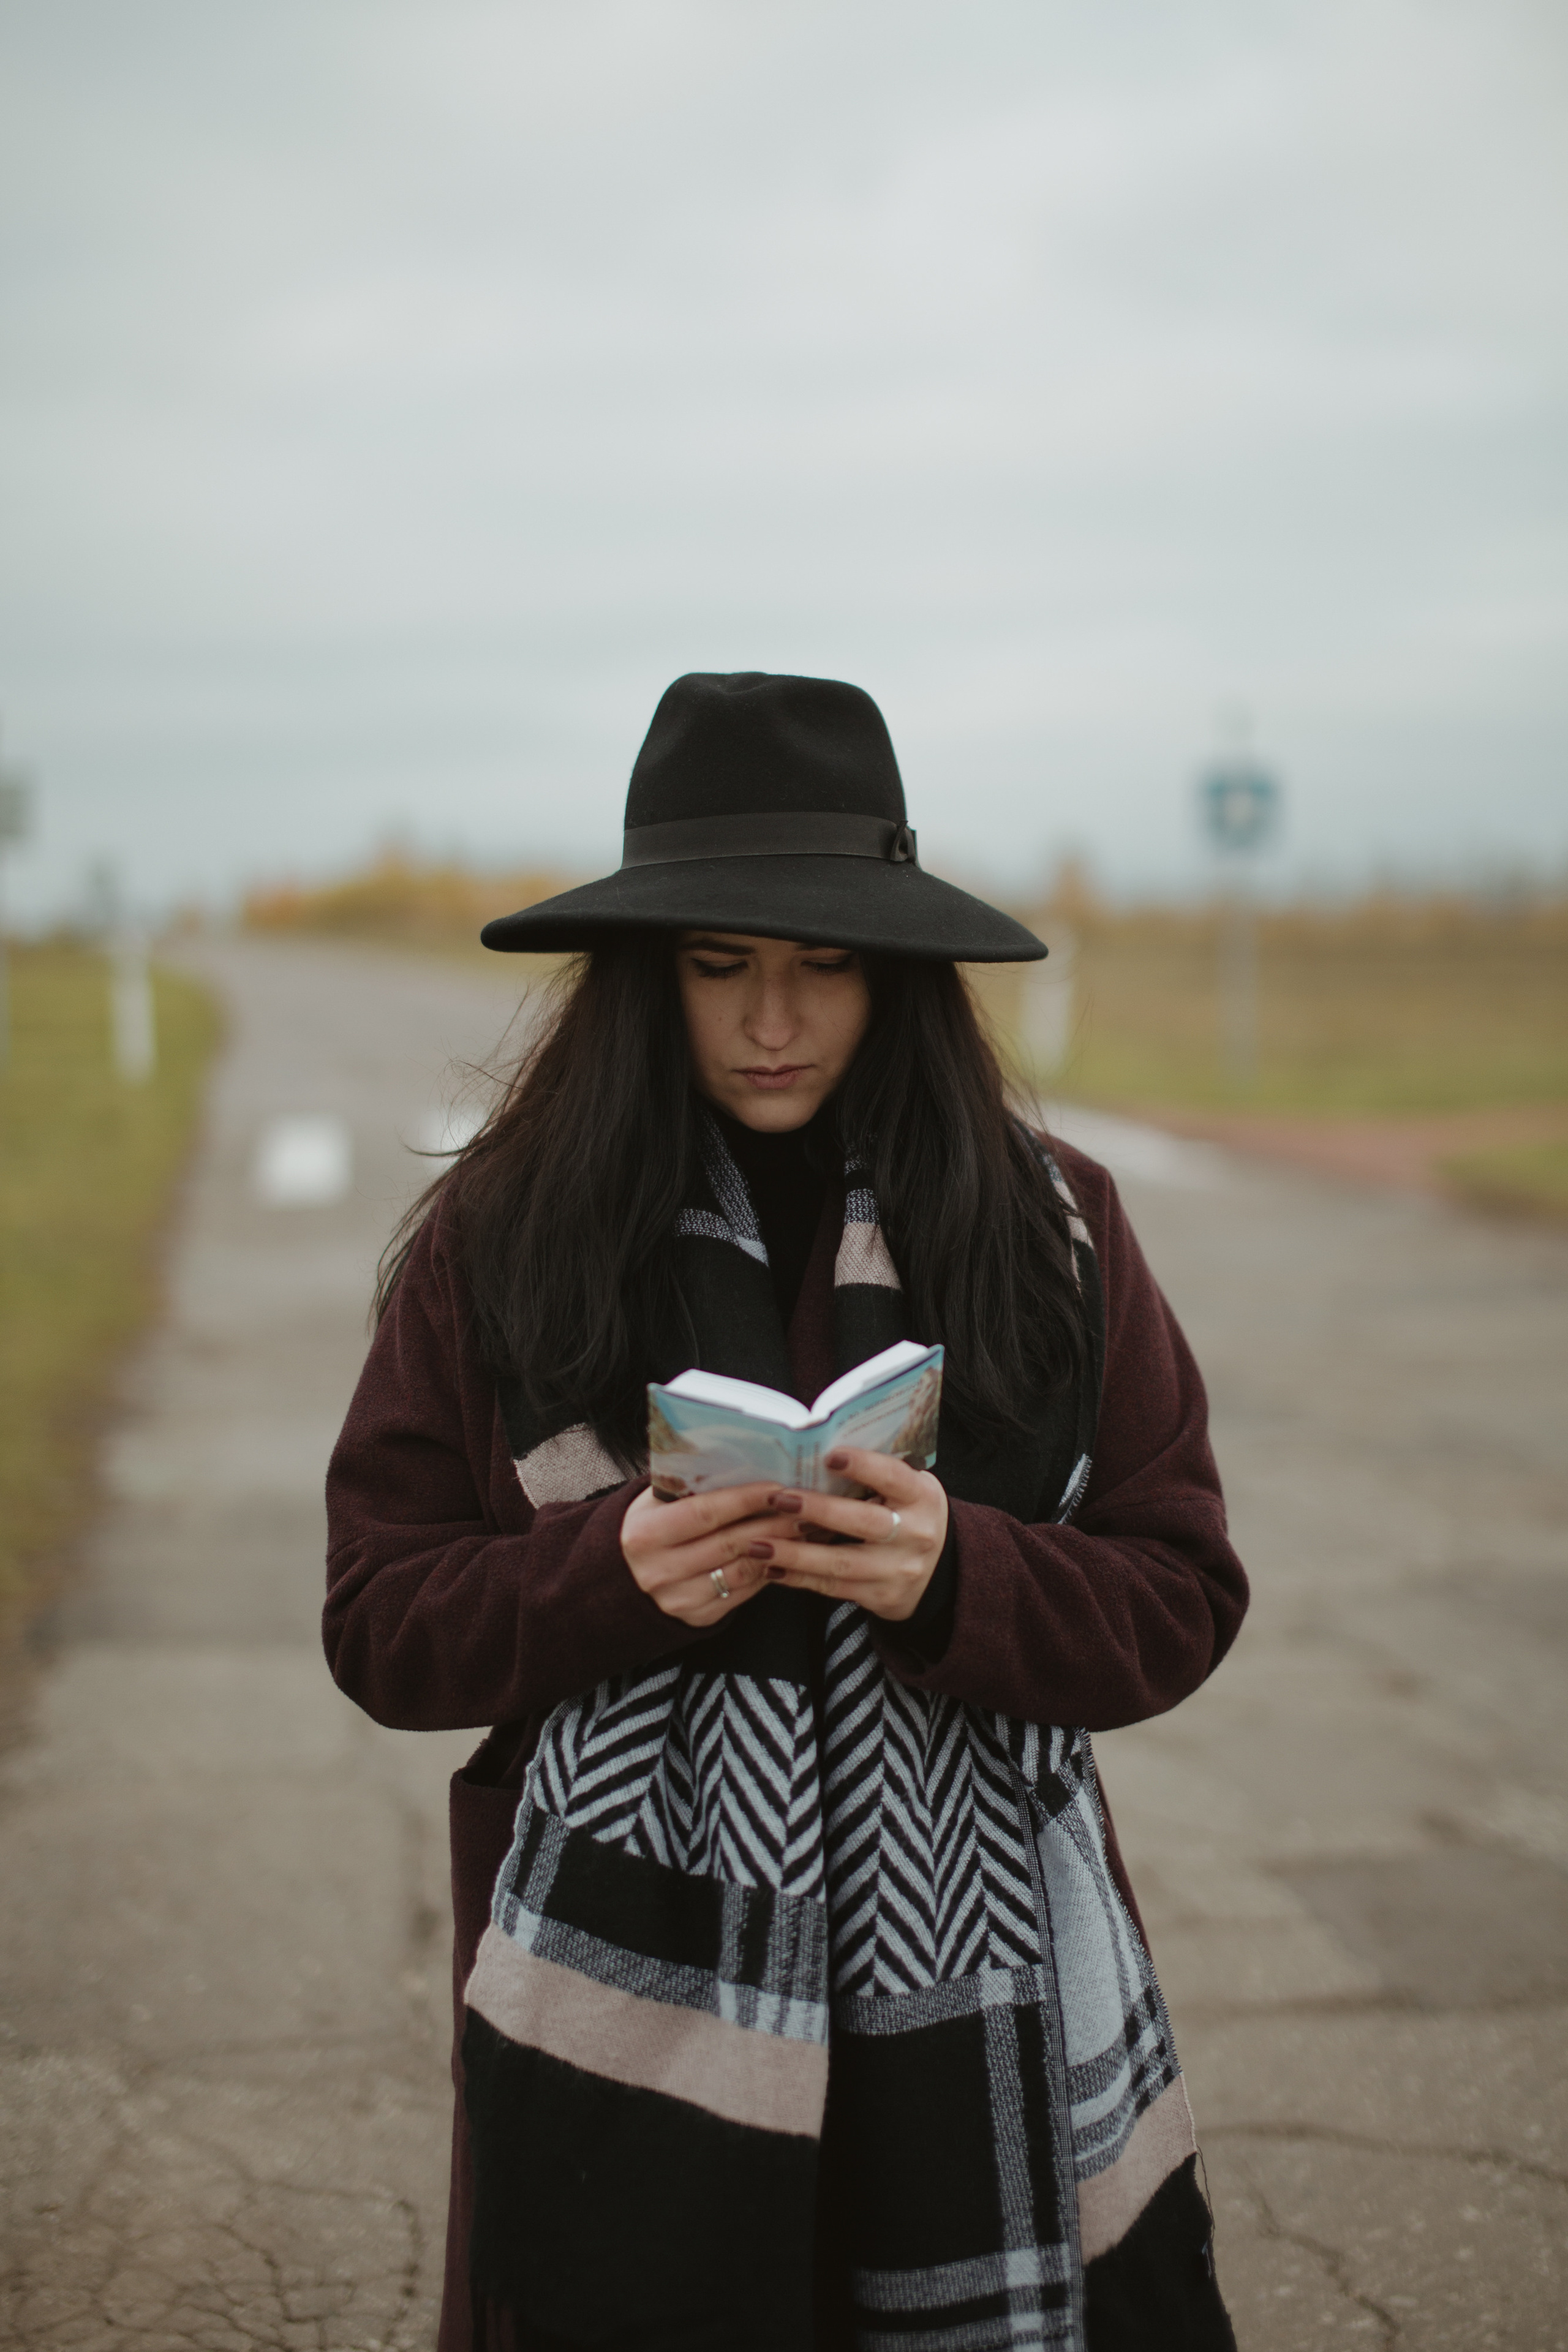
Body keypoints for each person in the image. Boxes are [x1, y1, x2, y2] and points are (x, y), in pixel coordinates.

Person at [324, 671, 1246, 2352]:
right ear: (642, 976)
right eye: (720, 965)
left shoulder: (1059, 1229)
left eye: (825, 966)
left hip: (988, 2007)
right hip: (630, 2010)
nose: (775, 1020)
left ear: (892, 975)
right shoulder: (502, 1243)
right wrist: (601, 1578)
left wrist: (965, 1574)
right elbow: (381, 1623)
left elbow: (1181, 1589)